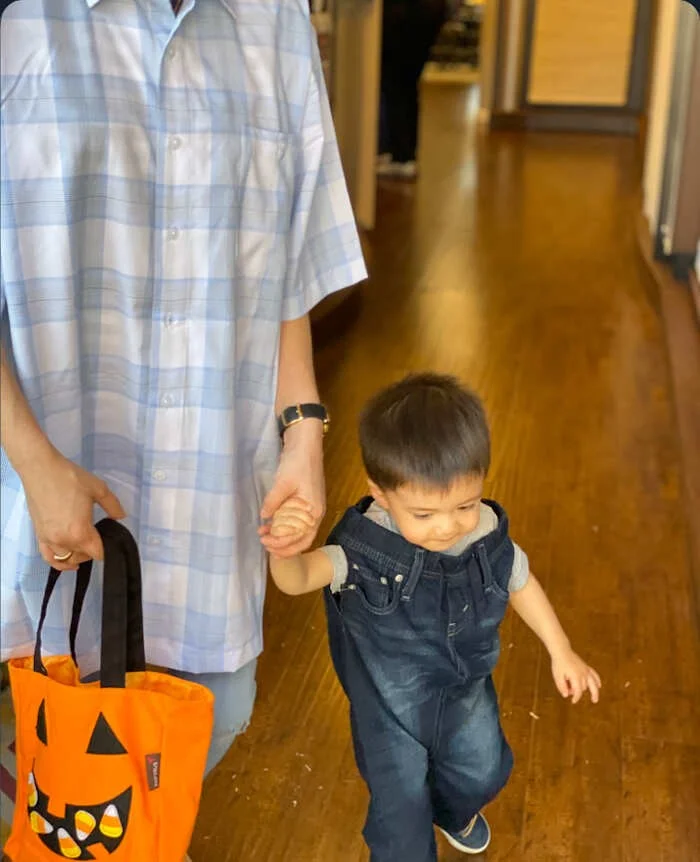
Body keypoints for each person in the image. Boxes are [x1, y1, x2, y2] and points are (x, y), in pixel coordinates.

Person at [0, 0, 365, 853]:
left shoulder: (274, 19)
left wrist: (304, 431)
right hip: (32, 474)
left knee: (218, 707)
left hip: (210, 470)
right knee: (34, 724)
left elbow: (288, 255)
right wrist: (34, 460)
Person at [264, 373, 601, 860]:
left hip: (463, 685)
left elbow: (520, 580)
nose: (447, 527)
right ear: (381, 493)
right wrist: (284, 549)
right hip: (389, 706)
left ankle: (452, 810)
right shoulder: (361, 550)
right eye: (423, 514)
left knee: (485, 771)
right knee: (401, 812)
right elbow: (296, 580)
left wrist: (561, 650)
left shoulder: (483, 533)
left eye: (465, 504)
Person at [377, 0, 448, 178]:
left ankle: (402, 156)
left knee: (397, 85)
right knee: (405, 86)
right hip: (425, 13)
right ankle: (401, 153)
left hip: (407, 16)